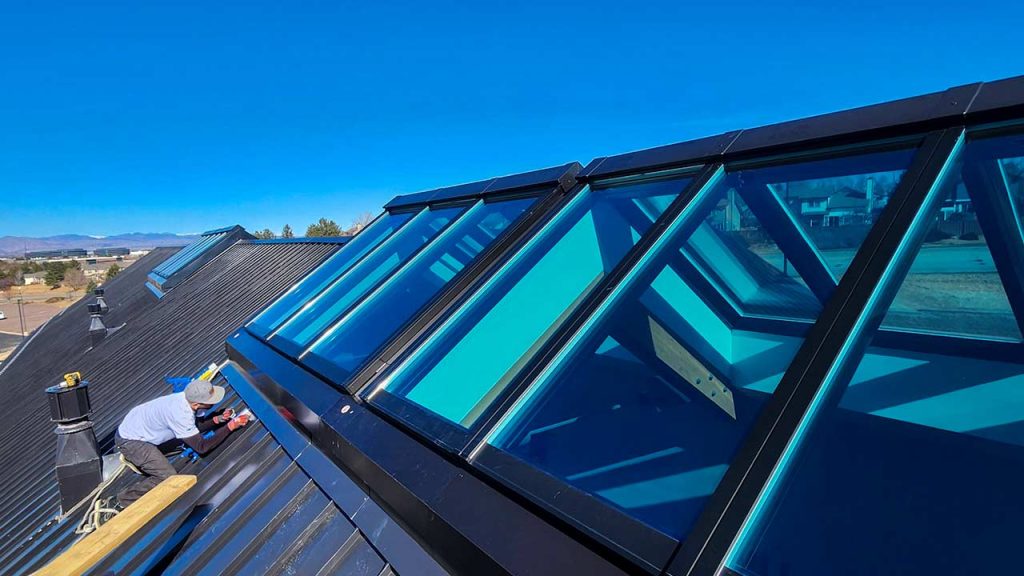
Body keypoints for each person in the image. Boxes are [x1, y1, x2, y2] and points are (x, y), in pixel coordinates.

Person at [114, 378, 249, 508]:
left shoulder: (185, 398)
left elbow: (193, 426)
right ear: (196, 404)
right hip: (131, 441)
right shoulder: (180, 413)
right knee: (168, 476)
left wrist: (217, 420)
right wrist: (230, 426)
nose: (214, 403)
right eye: (210, 402)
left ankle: (141, 460)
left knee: (182, 441)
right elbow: (202, 447)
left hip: (140, 427)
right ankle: (123, 500)